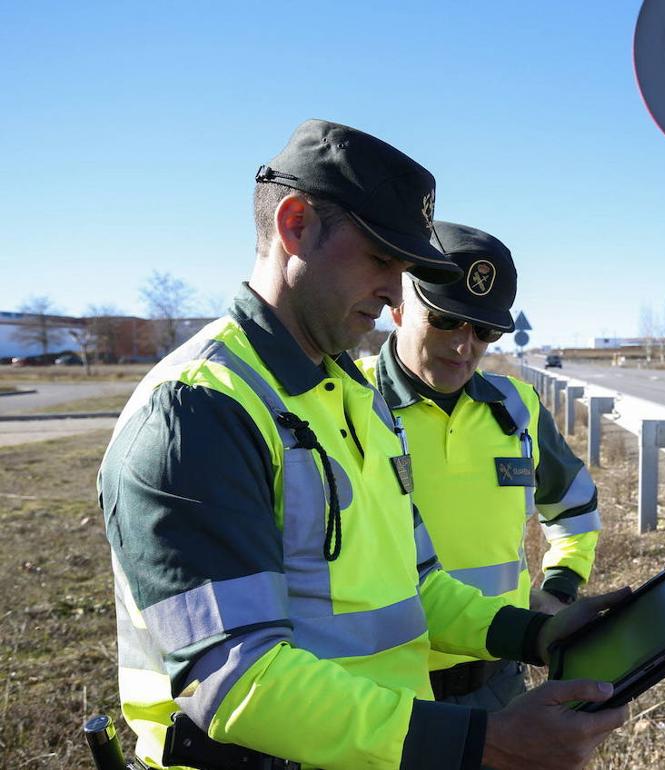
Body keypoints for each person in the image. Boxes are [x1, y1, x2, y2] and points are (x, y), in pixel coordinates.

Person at [97, 119, 627, 770]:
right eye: (382, 258)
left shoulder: (354, 396)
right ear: (295, 225)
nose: (395, 289)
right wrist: (482, 743)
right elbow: (234, 679)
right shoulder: (199, 410)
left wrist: (537, 633)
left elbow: (417, 587)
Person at [358, 222, 600, 710]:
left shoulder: (518, 410)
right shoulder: (348, 402)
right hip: (383, 687)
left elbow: (575, 512)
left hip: (498, 679)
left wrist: (559, 589)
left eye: (485, 330)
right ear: (399, 308)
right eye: (445, 320)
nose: (464, 345)